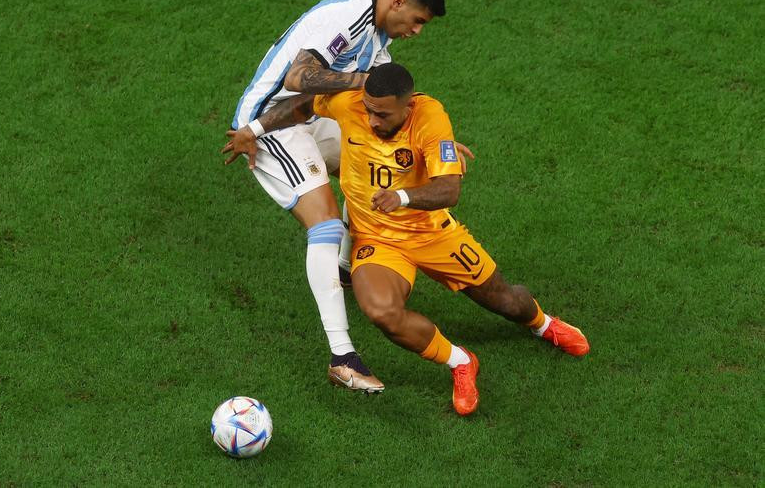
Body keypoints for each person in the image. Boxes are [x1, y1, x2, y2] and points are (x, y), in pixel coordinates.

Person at [225, 63, 590, 416]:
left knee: (508, 302)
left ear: (408, 103)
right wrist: (253, 130)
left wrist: (401, 197)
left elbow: (449, 190)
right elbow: (303, 103)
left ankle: (543, 323)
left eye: (383, 115)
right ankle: (461, 362)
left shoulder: (430, 118)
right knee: (382, 312)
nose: (372, 120)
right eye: (369, 111)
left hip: (431, 234)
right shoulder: (352, 101)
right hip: (376, 239)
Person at [222, 0, 447, 394]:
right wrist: (365, 81)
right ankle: (342, 357)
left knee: (371, 158)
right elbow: (298, 79)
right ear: (397, 2)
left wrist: (439, 139)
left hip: (311, 115)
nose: (417, 30)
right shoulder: (350, 17)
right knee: (324, 223)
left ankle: (345, 268)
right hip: (270, 125)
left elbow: (387, 103)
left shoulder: (380, 40)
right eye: (418, 20)